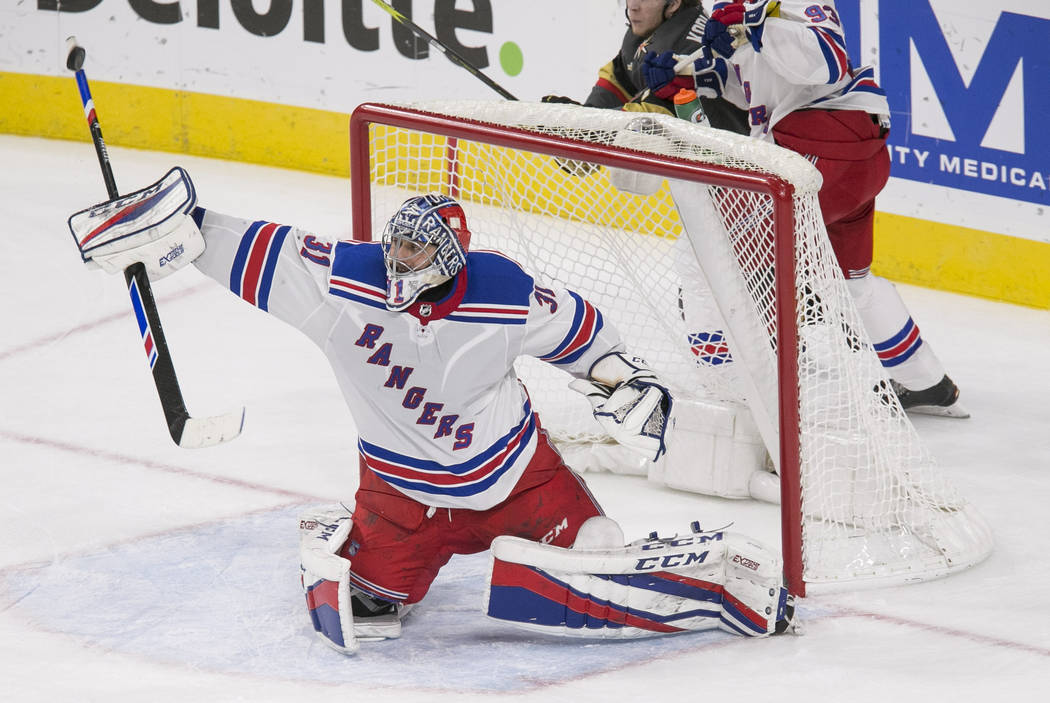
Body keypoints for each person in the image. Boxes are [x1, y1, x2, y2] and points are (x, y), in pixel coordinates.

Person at [67, 168, 793, 652]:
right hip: (402, 502)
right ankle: (350, 541)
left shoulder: (502, 293)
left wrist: (620, 378)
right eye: (398, 243)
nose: (400, 258)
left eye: (418, 247)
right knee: (367, 620)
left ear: (452, 254)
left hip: (523, 484)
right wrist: (183, 225)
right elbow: (259, 247)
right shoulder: (342, 283)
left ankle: (708, 595)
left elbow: (581, 330)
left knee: (598, 551)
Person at [643, 0, 966, 415]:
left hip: (821, 148)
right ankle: (926, 381)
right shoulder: (739, 11)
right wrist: (691, 77)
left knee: (704, 247)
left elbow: (828, 61)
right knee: (848, 286)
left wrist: (756, 23)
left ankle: (730, 390)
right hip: (848, 165)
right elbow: (755, 89)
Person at [543, 0, 749, 134]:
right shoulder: (655, 30)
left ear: (674, 3)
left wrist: (584, 128)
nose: (633, 6)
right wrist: (586, 115)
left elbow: (649, 122)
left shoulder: (687, 50)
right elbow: (619, 77)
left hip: (739, 172)